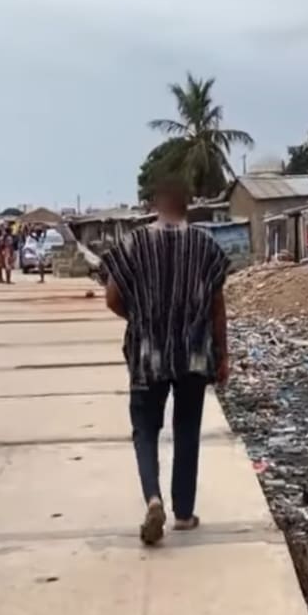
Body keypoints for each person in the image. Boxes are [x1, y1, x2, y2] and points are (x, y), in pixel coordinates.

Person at [101, 178, 230, 546]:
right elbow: (217, 306)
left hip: (146, 355)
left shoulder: (133, 243)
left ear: (156, 204)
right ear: (187, 204)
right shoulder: (205, 245)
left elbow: (111, 298)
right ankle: (185, 514)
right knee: (187, 430)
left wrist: (140, 320)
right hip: (192, 354)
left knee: (145, 431)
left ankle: (153, 498)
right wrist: (223, 355)